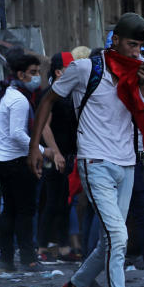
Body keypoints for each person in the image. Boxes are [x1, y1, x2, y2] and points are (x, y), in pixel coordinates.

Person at [29, 13, 144, 287]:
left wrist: (143, 83)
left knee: (110, 242)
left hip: (128, 164)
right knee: (118, 237)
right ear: (115, 41)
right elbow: (47, 100)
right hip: (94, 162)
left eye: (141, 47)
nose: (136, 52)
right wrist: (34, 147)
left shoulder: (136, 71)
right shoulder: (86, 69)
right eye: (131, 44)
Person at [0, 53, 44, 271]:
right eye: (33, 73)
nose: (37, 77)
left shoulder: (2, 94)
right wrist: (42, 150)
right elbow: (17, 134)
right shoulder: (19, 100)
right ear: (20, 74)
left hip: (2, 159)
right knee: (25, 211)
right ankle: (28, 259)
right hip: (17, 160)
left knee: (9, 210)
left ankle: (7, 259)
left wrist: (0, 143)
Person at [38, 52, 81, 262]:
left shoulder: (69, 93)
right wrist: (56, 153)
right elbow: (44, 126)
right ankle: (42, 248)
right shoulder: (51, 94)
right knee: (53, 202)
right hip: (55, 157)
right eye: (69, 68)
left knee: (64, 202)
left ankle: (64, 249)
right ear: (58, 72)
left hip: (67, 155)